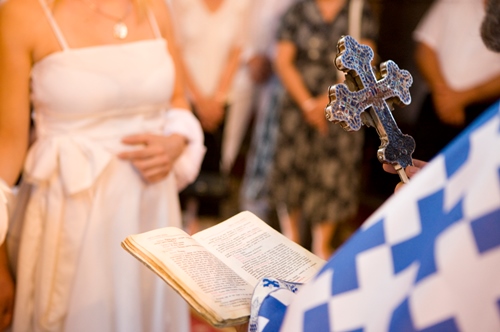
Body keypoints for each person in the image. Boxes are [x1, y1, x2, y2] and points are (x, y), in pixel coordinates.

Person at [0, 0, 205, 329]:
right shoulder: (24, 13)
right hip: (70, 221)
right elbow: (6, 147)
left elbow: (177, 99)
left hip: (151, 213)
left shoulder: (155, 8)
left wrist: (177, 141)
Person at [269, 0, 378, 259]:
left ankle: (322, 246)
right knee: (292, 170)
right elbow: (283, 61)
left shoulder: (359, 12)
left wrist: (325, 103)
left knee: (332, 175)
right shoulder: (298, 9)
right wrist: (308, 103)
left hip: (341, 107)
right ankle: (289, 240)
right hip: (297, 108)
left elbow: (364, 63)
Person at [169, 0, 251, 233]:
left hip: (221, 99)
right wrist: (197, 99)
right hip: (184, 97)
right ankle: (177, 226)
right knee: (182, 167)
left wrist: (217, 98)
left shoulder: (239, 6)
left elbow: (236, 52)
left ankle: (203, 231)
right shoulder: (180, 4)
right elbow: (176, 50)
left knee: (213, 167)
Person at [411, 0, 500, 162]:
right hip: (437, 104)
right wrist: (444, 95)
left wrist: (463, 97)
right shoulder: (452, 3)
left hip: (483, 114)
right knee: (417, 170)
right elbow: (424, 50)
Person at [239, 0, 298, 223]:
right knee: (261, 153)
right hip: (258, 72)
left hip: (289, 84)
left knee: (281, 158)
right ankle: (250, 218)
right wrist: (251, 55)